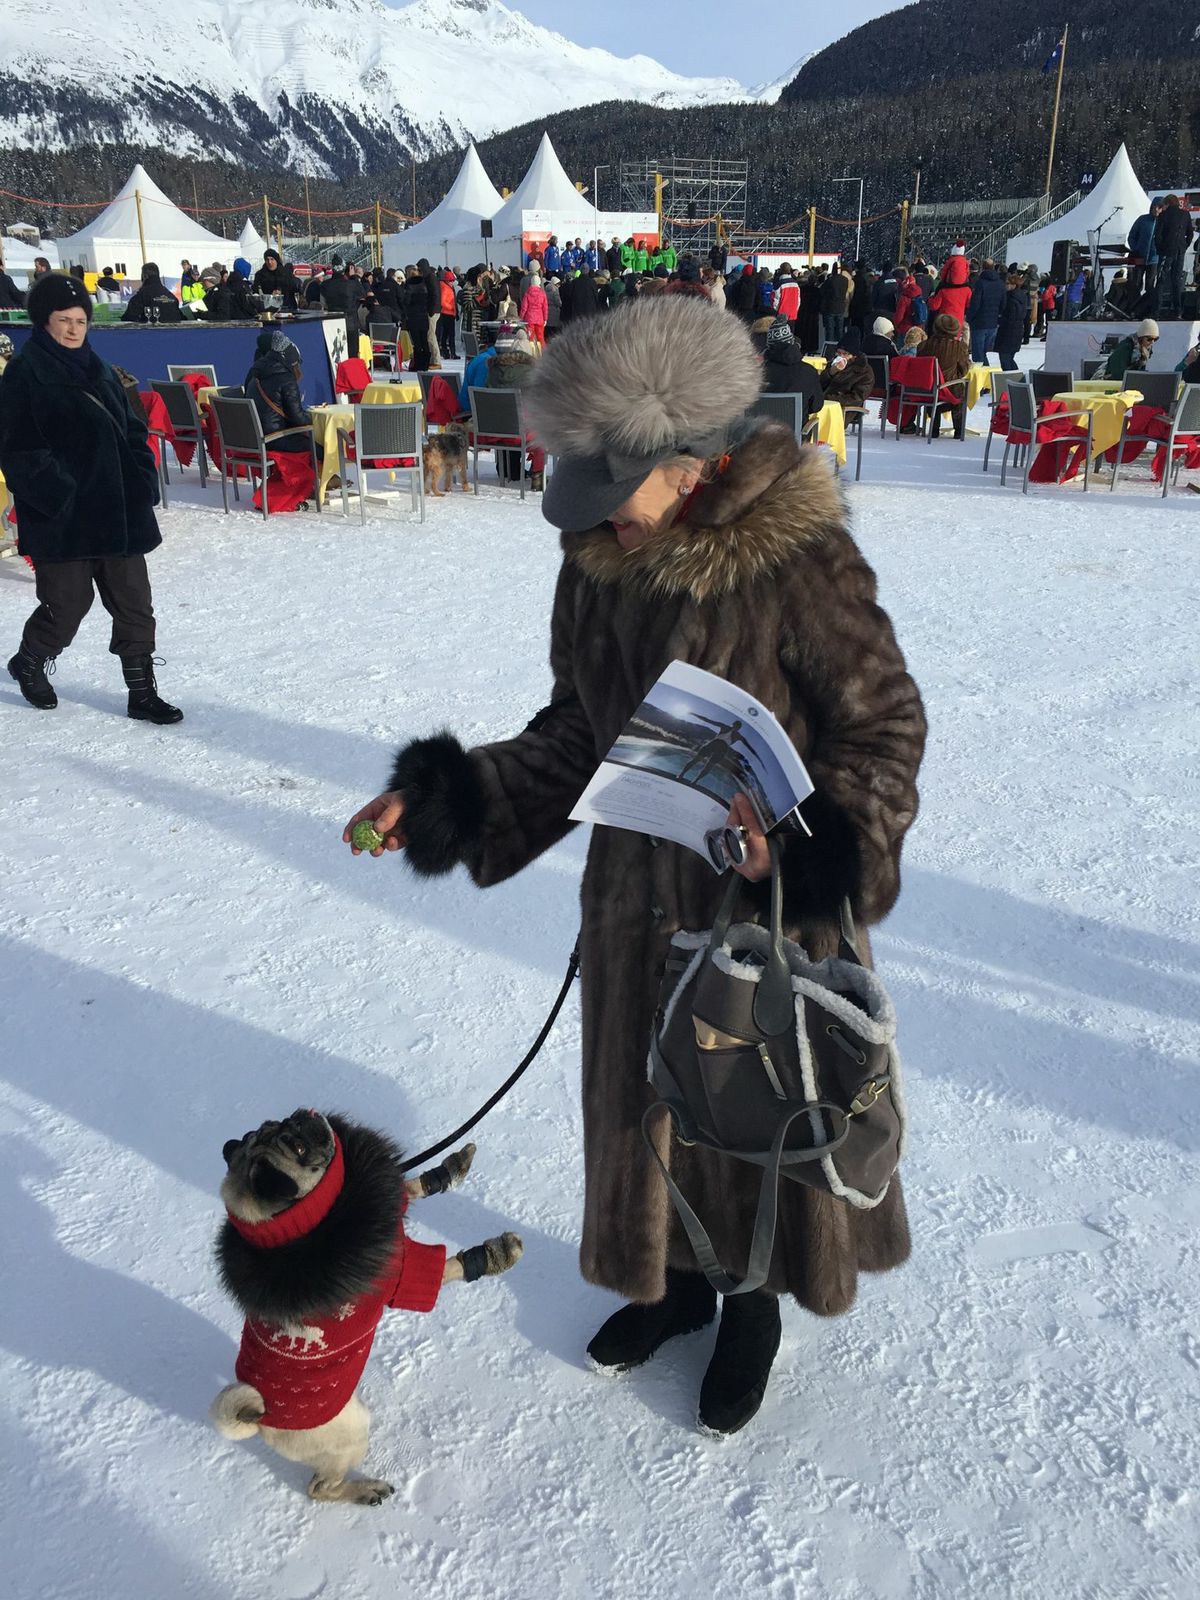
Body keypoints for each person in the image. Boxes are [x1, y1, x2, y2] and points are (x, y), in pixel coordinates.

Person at [342, 294, 926, 1436]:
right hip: (630, 905)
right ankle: (679, 1287)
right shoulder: (598, 564)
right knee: (645, 1113)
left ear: (691, 461)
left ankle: (749, 1306)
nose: (605, 523)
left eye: (622, 497)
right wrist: (453, 797)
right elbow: (576, 730)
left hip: (757, 907)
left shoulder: (797, 556)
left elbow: (887, 725)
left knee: (748, 1115)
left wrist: (811, 845)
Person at [0, 274, 181, 722]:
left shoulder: (99, 367)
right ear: (44, 322)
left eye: (80, 320)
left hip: (119, 512)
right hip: (63, 517)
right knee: (67, 605)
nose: (73, 329)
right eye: (64, 320)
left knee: (134, 602)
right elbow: (17, 449)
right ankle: (29, 661)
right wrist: (60, 493)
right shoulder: (25, 375)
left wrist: (140, 477)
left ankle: (141, 694)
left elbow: (134, 429)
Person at [242, 330, 318, 513]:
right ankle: (302, 490)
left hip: (253, 436)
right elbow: (298, 418)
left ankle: (316, 485)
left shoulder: (255, 372)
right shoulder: (286, 379)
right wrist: (315, 421)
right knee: (317, 446)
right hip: (274, 437)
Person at [761, 316, 822, 417]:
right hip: (795, 430)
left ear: (769, 346)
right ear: (792, 342)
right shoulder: (809, 372)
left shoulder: (758, 372)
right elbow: (816, 406)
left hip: (762, 429)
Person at [923, 312, 970, 437]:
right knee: (959, 387)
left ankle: (934, 429)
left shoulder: (923, 345)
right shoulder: (959, 347)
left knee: (937, 386)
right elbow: (964, 370)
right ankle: (958, 430)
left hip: (927, 389)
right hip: (949, 390)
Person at [1154, 195, 1195, 319]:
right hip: (1180, 251)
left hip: (1166, 251)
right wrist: (1184, 246)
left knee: (1161, 280)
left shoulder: (1163, 215)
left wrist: (1160, 249)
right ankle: (1177, 310)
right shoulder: (1185, 215)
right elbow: (1190, 234)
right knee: (1176, 281)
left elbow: (1158, 235)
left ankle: (1156, 310)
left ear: (1167, 204)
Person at [819, 327, 872, 410]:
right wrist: (830, 373)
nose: (841, 356)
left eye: (845, 354)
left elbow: (857, 397)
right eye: (839, 353)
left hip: (844, 408)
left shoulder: (863, 370)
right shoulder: (832, 364)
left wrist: (829, 399)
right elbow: (818, 384)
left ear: (854, 356)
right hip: (823, 403)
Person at [966, 258, 1004, 363]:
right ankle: (987, 373)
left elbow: (975, 303)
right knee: (983, 352)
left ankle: (983, 377)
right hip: (993, 322)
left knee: (978, 355)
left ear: (983, 267)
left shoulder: (980, 283)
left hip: (979, 322)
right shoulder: (1000, 283)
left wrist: (969, 317)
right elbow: (1003, 303)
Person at [928, 243, 972, 331]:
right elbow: (969, 305)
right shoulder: (967, 290)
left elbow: (934, 306)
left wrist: (931, 297)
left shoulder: (943, 290)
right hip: (958, 322)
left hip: (943, 322)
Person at [993, 270, 1030, 372]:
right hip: (1016, 330)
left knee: (1005, 359)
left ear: (1014, 285)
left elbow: (1011, 316)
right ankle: (1017, 377)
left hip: (1009, 331)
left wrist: (1000, 320)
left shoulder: (1011, 299)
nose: (1006, 285)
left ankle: (1011, 378)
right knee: (1009, 358)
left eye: (1008, 283)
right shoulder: (1021, 296)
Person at [399, 267, 433, 371]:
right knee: (424, 340)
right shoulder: (424, 284)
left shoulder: (409, 286)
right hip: (423, 316)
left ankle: (418, 364)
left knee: (416, 342)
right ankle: (426, 363)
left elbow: (407, 301)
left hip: (413, 316)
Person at [819, 259, 851, 347]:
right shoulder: (845, 280)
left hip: (830, 307)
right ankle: (840, 347)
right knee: (840, 329)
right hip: (841, 307)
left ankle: (829, 347)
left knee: (830, 330)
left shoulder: (830, 280)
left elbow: (822, 291)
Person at [520, 270, 548, 347]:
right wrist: (545, 319)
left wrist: (521, 318)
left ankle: (531, 354)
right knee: (541, 338)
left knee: (530, 338)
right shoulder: (542, 294)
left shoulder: (527, 293)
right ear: (539, 282)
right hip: (540, 319)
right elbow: (545, 308)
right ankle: (543, 353)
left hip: (529, 319)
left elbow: (524, 308)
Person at [437, 268, 459, 360]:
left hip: (447, 313)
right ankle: (452, 353)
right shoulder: (445, 288)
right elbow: (443, 302)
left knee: (445, 334)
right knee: (450, 334)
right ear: (446, 280)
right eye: (451, 280)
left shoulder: (447, 287)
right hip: (447, 313)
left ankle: (446, 352)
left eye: (453, 280)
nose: (452, 282)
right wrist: (451, 308)